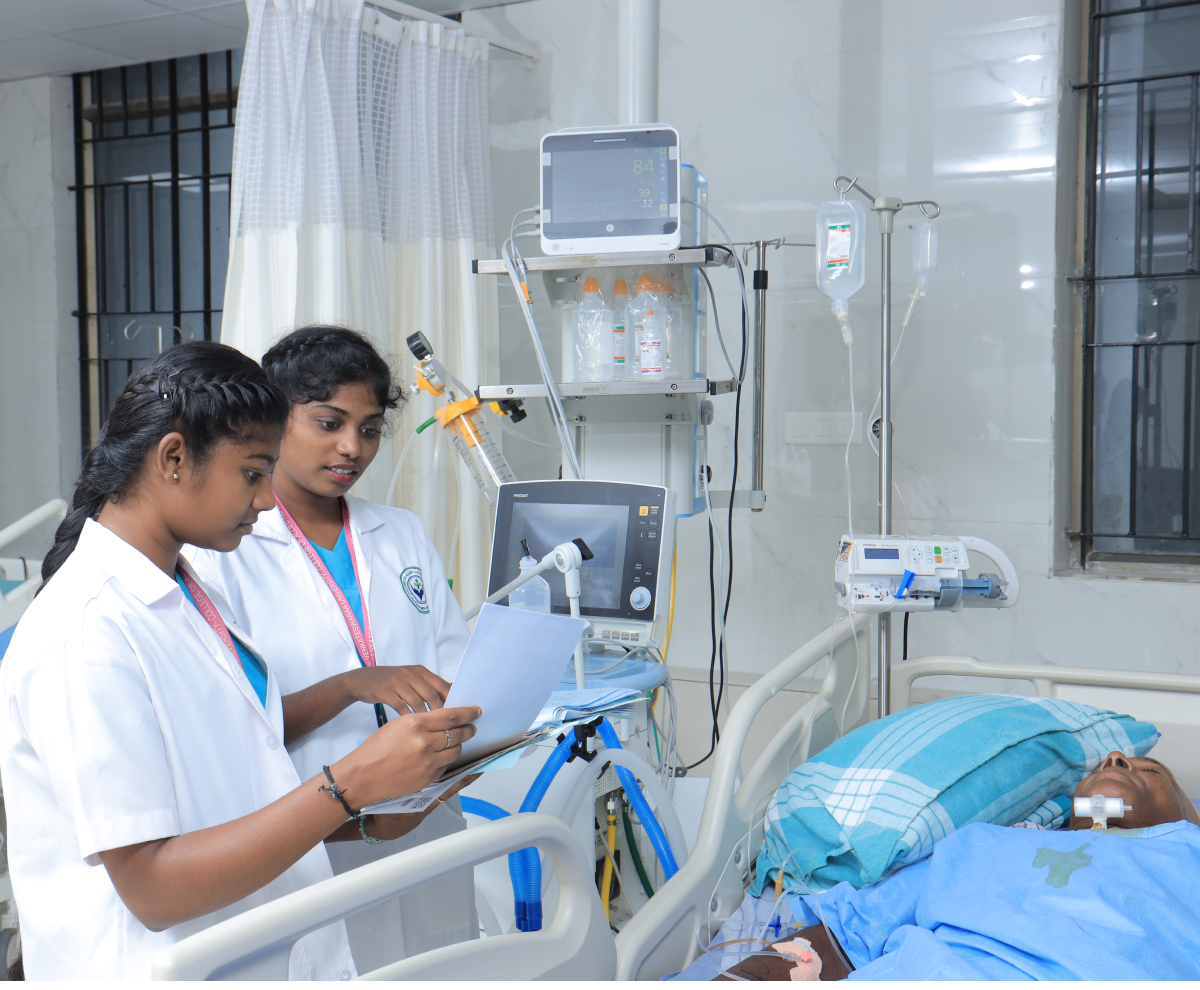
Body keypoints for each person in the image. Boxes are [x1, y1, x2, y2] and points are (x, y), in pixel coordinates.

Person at [0, 342, 480, 981]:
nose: (266, 500)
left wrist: (372, 820)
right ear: (174, 458)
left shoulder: (185, 596)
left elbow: (232, 791)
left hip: (252, 944)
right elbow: (152, 888)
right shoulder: (86, 633)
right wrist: (349, 786)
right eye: (254, 473)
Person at [186, 325, 476, 971]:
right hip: (308, 834)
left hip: (424, 821)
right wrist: (351, 686)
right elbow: (231, 732)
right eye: (328, 423)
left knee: (436, 968)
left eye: (369, 429)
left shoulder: (400, 533)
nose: (352, 447)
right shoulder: (223, 552)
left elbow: (454, 671)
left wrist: (475, 744)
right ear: (274, 421)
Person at [707, 750, 1200, 981]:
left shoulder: (1189, 855)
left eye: (1151, 768)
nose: (1116, 758)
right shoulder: (984, 844)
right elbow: (843, 938)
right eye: (1103, 766)